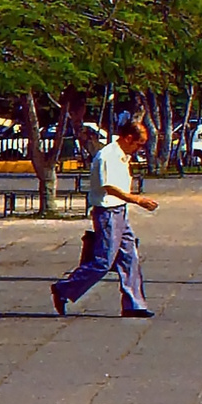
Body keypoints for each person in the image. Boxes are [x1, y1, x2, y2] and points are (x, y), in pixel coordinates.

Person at [50, 120, 159, 318]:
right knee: (103, 261)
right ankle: (64, 288)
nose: (139, 148)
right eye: (139, 143)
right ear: (128, 138)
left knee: (129, 257)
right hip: (107, 212)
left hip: (119, 211)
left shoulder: (121, 156)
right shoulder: (108, 156)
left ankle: (134, 304)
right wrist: (138, 200)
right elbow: (109, 186)